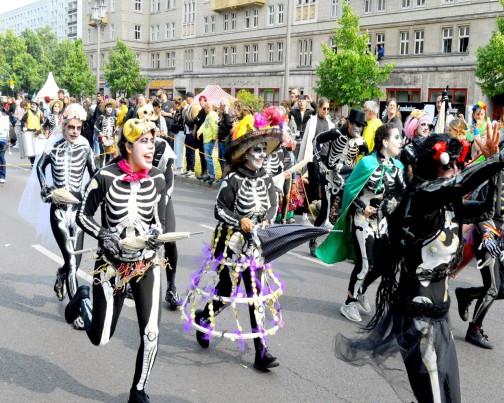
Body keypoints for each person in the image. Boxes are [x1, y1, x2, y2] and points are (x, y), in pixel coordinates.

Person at [333, 131, 504, 403]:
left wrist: (495, 172)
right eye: (448, 165)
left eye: (457, 164)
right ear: (430, 167)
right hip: (417, 322)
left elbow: (487, 211)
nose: (454, 170)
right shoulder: (421, 198)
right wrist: (497, 160)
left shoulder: (449, 205)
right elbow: (459, 184)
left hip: (441, 320)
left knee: (452, 398)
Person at [65, 118, 166, 403]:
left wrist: (157, 234)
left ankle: (138, 391)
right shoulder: (105, 177)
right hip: (111, 266)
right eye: (144, 141)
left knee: (151, 333)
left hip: (145, 264)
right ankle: (82, 300)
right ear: (128, 147)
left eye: (153, 141)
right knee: (100, 337)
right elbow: (82, 215)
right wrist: (102, 234)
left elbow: (157, 219)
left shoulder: (158, 178)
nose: (151, 147)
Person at [185, 111, 284, 371]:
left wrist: (266, 221)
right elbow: (219, 210)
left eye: (264, 150)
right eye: (256, 150)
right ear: (245, 153)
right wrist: (240, 220)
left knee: (255, 294)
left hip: (256, 245)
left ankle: (261, 351)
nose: (262, 155)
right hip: (233, 244)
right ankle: (205, 317)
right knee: (227, 292)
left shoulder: (266, 179)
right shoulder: (232, 179)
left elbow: (273, 205)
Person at [317, 123, 405, 322]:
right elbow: (348, 190)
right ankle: (349, 303)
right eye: (396, 137)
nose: (400, 142)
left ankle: (361, 290)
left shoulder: (398, 167)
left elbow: (401, 194)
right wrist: (362, 207)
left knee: (384, 263)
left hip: (382, 223)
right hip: (362, 220)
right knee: (365, 264)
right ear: (384, 142)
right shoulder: (366, 164)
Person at [36, 104, 96, 328]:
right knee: (71, 261)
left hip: (78, 210)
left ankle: (61, 276)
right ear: (64, 127)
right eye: (71, 127)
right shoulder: (54, 145)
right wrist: (45, 187)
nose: (75, 132)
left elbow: (95, 174)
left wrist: (94, 193)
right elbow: (40, 167)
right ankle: (77, 311)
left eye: (78, 128)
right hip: (59, 210)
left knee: (74, 263)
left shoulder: (85, 146)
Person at [310, 109, 368, 255]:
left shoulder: (361, 141)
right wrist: (320, 162)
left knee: (349, 213)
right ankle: (313, 239)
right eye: (357, 125)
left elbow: (367, 157)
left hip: (348, 179)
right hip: (330, 176)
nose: (359, 129)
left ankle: (347, 247)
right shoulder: (336, 133)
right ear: (349, 123)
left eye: (361, 126)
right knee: (325, 211)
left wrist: (363, 156)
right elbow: (316, 140)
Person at [297, 98, 335, 231]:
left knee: (326, 188)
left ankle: (326, 218)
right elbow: (305, 140)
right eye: (324, 108)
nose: (326, 111)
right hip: (313, 156)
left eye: (328, 109)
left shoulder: (330, 124)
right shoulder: (312, 121)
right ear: (318, 108)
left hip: (325, 157)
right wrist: (300, 159)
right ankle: (304, 215)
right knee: (312, 185)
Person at [196, 101, 218, 184]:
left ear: (208, 107)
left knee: (208, 158)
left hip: (209, 140)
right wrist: (199, 131)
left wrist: (214, 138)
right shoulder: (208, 115)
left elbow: (215, 127)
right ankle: (210, 173)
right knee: (207, 158)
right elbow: (204, 125)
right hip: (206, 139)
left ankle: (212, 175)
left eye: (205, 107)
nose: (204, 109)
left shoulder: (212, 115)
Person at [181, 91, 200, 177]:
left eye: (187, 97)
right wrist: (184, 108)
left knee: (191, 152)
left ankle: (192, 169)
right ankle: (188, 168)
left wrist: (193, 131)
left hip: (191, 132)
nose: (186, 99)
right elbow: (183, 117)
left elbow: (195, 121)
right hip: (187, 132)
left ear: (191, 98)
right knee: (187, 152)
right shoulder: (188, 106)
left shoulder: (194, 107)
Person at [20, 100, 44, 166]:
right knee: (31, 148)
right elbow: (23, 120)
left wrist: (41, 128)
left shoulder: (40, 112)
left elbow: (41, 122)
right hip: (30, 131)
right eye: (31, 104)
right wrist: (23, 127)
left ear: (37, 106)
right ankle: (32, 163)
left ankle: (36, 162)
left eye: (34, 104)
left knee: (37, 148)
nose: (32, 105)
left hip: (38, 132)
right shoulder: (28, 112)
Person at [94, 99, 117, 167]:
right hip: (103, 138)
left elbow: (114, 128)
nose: (110, 109)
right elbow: (95, 125)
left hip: (110, 138)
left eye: (110, 107)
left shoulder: (113, 117)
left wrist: (114, 135)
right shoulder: (101, 117)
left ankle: (107, 168)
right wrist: (100, 132)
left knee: (109, 155)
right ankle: (101, 169)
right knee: (103, 155)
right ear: (105, 108)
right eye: (108, 107)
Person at [217, 97, 233, 178]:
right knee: (220, 158)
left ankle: (225, 176)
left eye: (221, 105)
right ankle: (223, 175)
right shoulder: (223, 114)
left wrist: (219, 123)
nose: (219, 106)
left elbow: (227, 127)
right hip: (220, 139)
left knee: (224, 159)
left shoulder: (227, 115)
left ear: (224, 105)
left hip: (224, 140)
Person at [170, 98, 185, 174]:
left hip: (180, 131)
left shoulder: (181, 111)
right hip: (176, 132)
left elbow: (178, 122)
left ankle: (180, 167)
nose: (173, 106)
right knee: (176, 150)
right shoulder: (177, 112)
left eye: (174, 104)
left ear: (177, 104)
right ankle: (177, 166)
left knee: (179, 150)